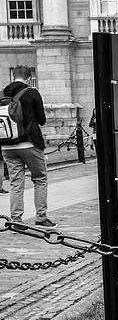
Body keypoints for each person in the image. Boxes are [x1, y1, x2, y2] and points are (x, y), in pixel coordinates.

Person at [1, 66, 54, 227]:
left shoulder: (2, 94)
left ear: (13, 77)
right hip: (30, 143)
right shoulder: (32, 92)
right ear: (29, 78)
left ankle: (16, 220)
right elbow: (42, 119)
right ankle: (41, 217)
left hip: (7, 145)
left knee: (16, 182)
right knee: (40, 179)